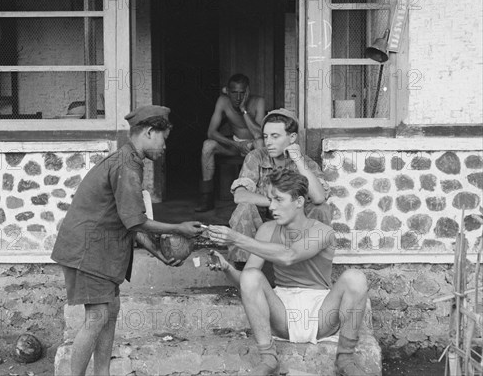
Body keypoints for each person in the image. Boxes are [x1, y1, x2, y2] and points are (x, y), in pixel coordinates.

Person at [51, 105, 204, 376]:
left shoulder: (130, 161)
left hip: (101, 250)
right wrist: (179, 227)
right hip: (88, 250)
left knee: (111, 309)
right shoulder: (127, 165)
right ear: (148, 132)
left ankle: (102, 373)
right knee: (97, 316)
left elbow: (128, 220)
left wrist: (157, 253)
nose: (165, 147)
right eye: (164, 139)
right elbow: (135, 221)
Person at [206, 170, 370, 376]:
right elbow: (247, 283)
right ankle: (268, 358)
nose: (272, 207)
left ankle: (345, 358)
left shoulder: (322, 231)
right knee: (250, 275)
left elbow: (290, 255)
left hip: (320, 313)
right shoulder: (267, 230)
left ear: (299, 201)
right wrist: (227, 268)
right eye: (270, 200)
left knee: (355, 277)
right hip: (282, 311)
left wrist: (237, 238)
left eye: (278, 200)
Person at [228, 108, 332, 266]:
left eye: (275, 136)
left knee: (321, 209)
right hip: (262, 225)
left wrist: (298, 161)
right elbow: (240, 196)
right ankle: (243, 270)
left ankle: (311, 265)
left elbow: (319, 198)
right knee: (244, 208)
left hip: (294, 227)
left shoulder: (306, 163)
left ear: (292, 138)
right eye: (265, 136)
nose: (268, 142)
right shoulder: (256, 157)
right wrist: (276, 202)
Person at [195, 73, 266, 212]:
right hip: (235, 144)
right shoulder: (223, 101)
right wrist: (236, 144)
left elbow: (259, 133)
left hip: (253, 146)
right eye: (234, 93)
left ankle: (262, 197)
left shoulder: (258, 101)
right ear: (227, 91)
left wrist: (244, 110)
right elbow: (211, 132)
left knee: (259, 144)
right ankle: (206, 197)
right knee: (208, 145)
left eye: (242, 93)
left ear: (248, 91)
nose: (238, 98)